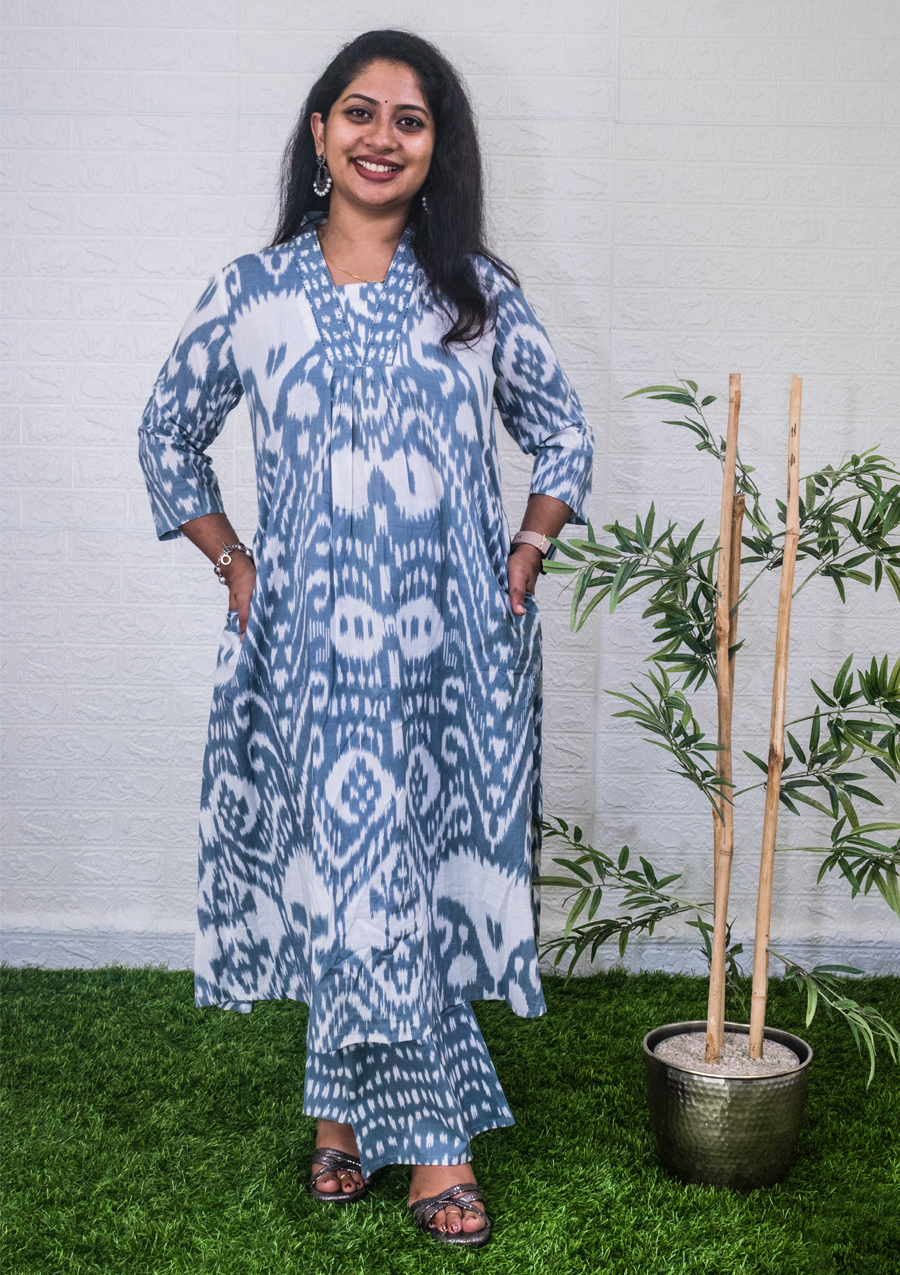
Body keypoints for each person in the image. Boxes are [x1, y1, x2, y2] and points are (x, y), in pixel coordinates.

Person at [139, 29, 592, 1249]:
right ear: (319, 133)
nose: (382, 137)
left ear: (439, 148)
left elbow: (563, 433)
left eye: (410, 119)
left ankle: (338, 1115)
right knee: (356, 872)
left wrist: (527, 548)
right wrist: (234, 560)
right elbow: (166, 434)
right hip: (308, 651)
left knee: (405, 880)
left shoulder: (474, 294)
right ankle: (439, 1148)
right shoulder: (253, 291)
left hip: (452, 651)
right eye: (360, 112)